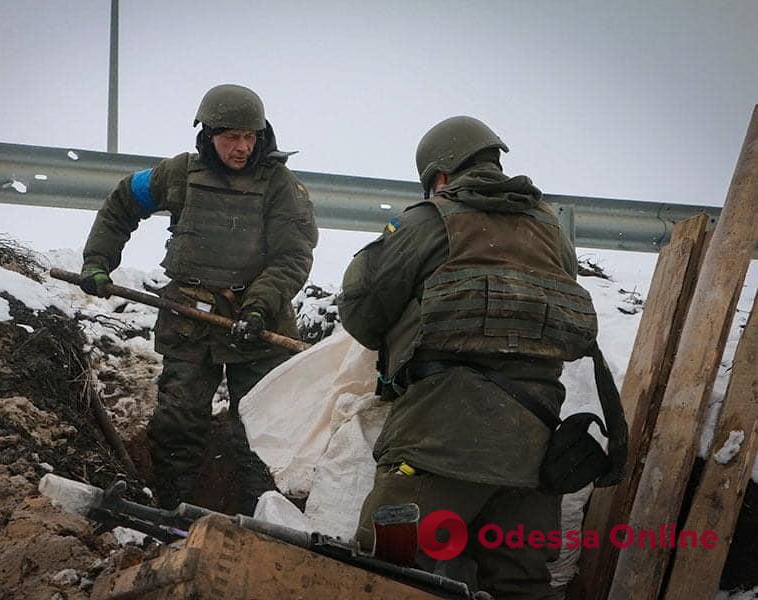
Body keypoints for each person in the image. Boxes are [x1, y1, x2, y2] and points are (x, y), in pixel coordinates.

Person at [338, 116, 624, 598]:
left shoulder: (428, 220)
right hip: (533, 455)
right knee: (520, 586)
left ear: (441, 177)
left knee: (388, 570)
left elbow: (362, 310)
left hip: (438, 441)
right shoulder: (553, 233)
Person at [79, 84, 318, 512]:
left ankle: (261, 518)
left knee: (262, 428)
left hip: (259, 323)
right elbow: (121, 204)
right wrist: (98, 261)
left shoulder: (282, 187)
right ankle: (175, 512)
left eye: (250, 137)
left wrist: (260, 305)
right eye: (231, 137)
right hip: (189, 317)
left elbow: (292, 256)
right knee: (177, 424)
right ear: (207, 134)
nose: (242, 148)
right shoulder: (176, 175)